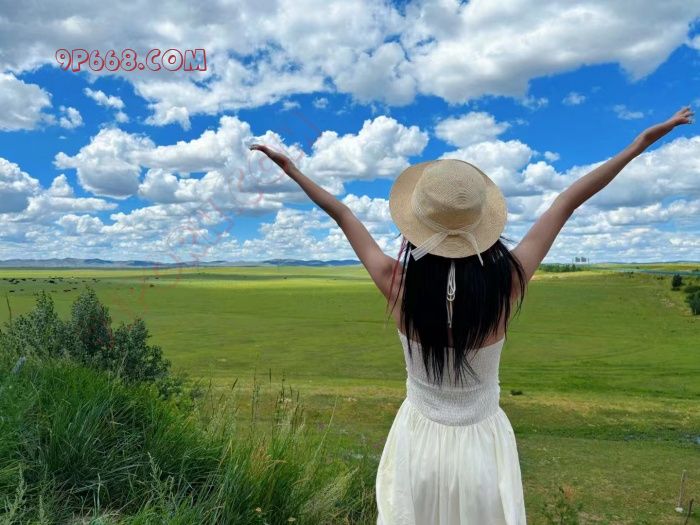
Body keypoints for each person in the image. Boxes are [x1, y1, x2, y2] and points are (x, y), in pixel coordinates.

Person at [249, 105, 694, 524]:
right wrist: (639, 144)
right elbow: (566, 202)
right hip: (484, 450)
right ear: (482, 225)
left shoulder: (397, 284)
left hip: (416, 445)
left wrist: (293, 171)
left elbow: (342, 213)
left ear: (416, 225)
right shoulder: (507, 284)